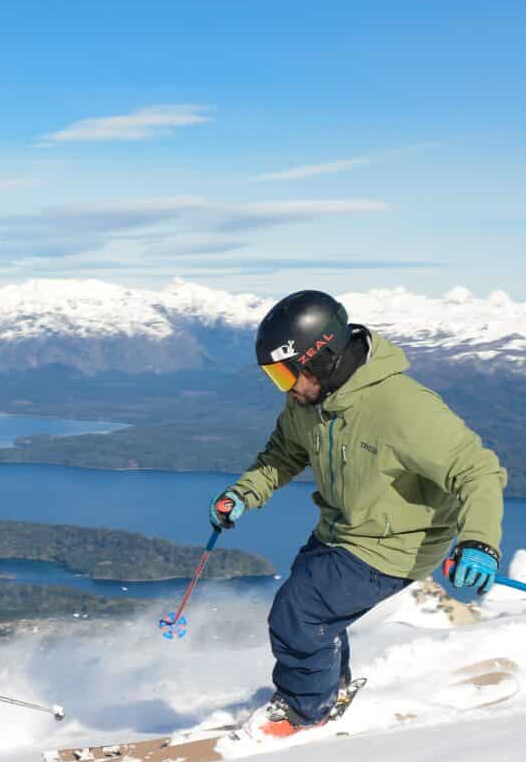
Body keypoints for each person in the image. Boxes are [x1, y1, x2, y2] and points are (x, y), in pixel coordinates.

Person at [211, 290, 507, 728]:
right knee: (315, 612)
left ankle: (304, 712)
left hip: (394, 543)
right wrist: (244, 494)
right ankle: (332, 686)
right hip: (341, 529)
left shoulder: (402, 408)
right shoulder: (309, 403)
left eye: (285, 375)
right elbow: (282, 454)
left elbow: (477, 470)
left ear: (322, 357)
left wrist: (480, 540)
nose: (286, 388)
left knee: (298, 612)